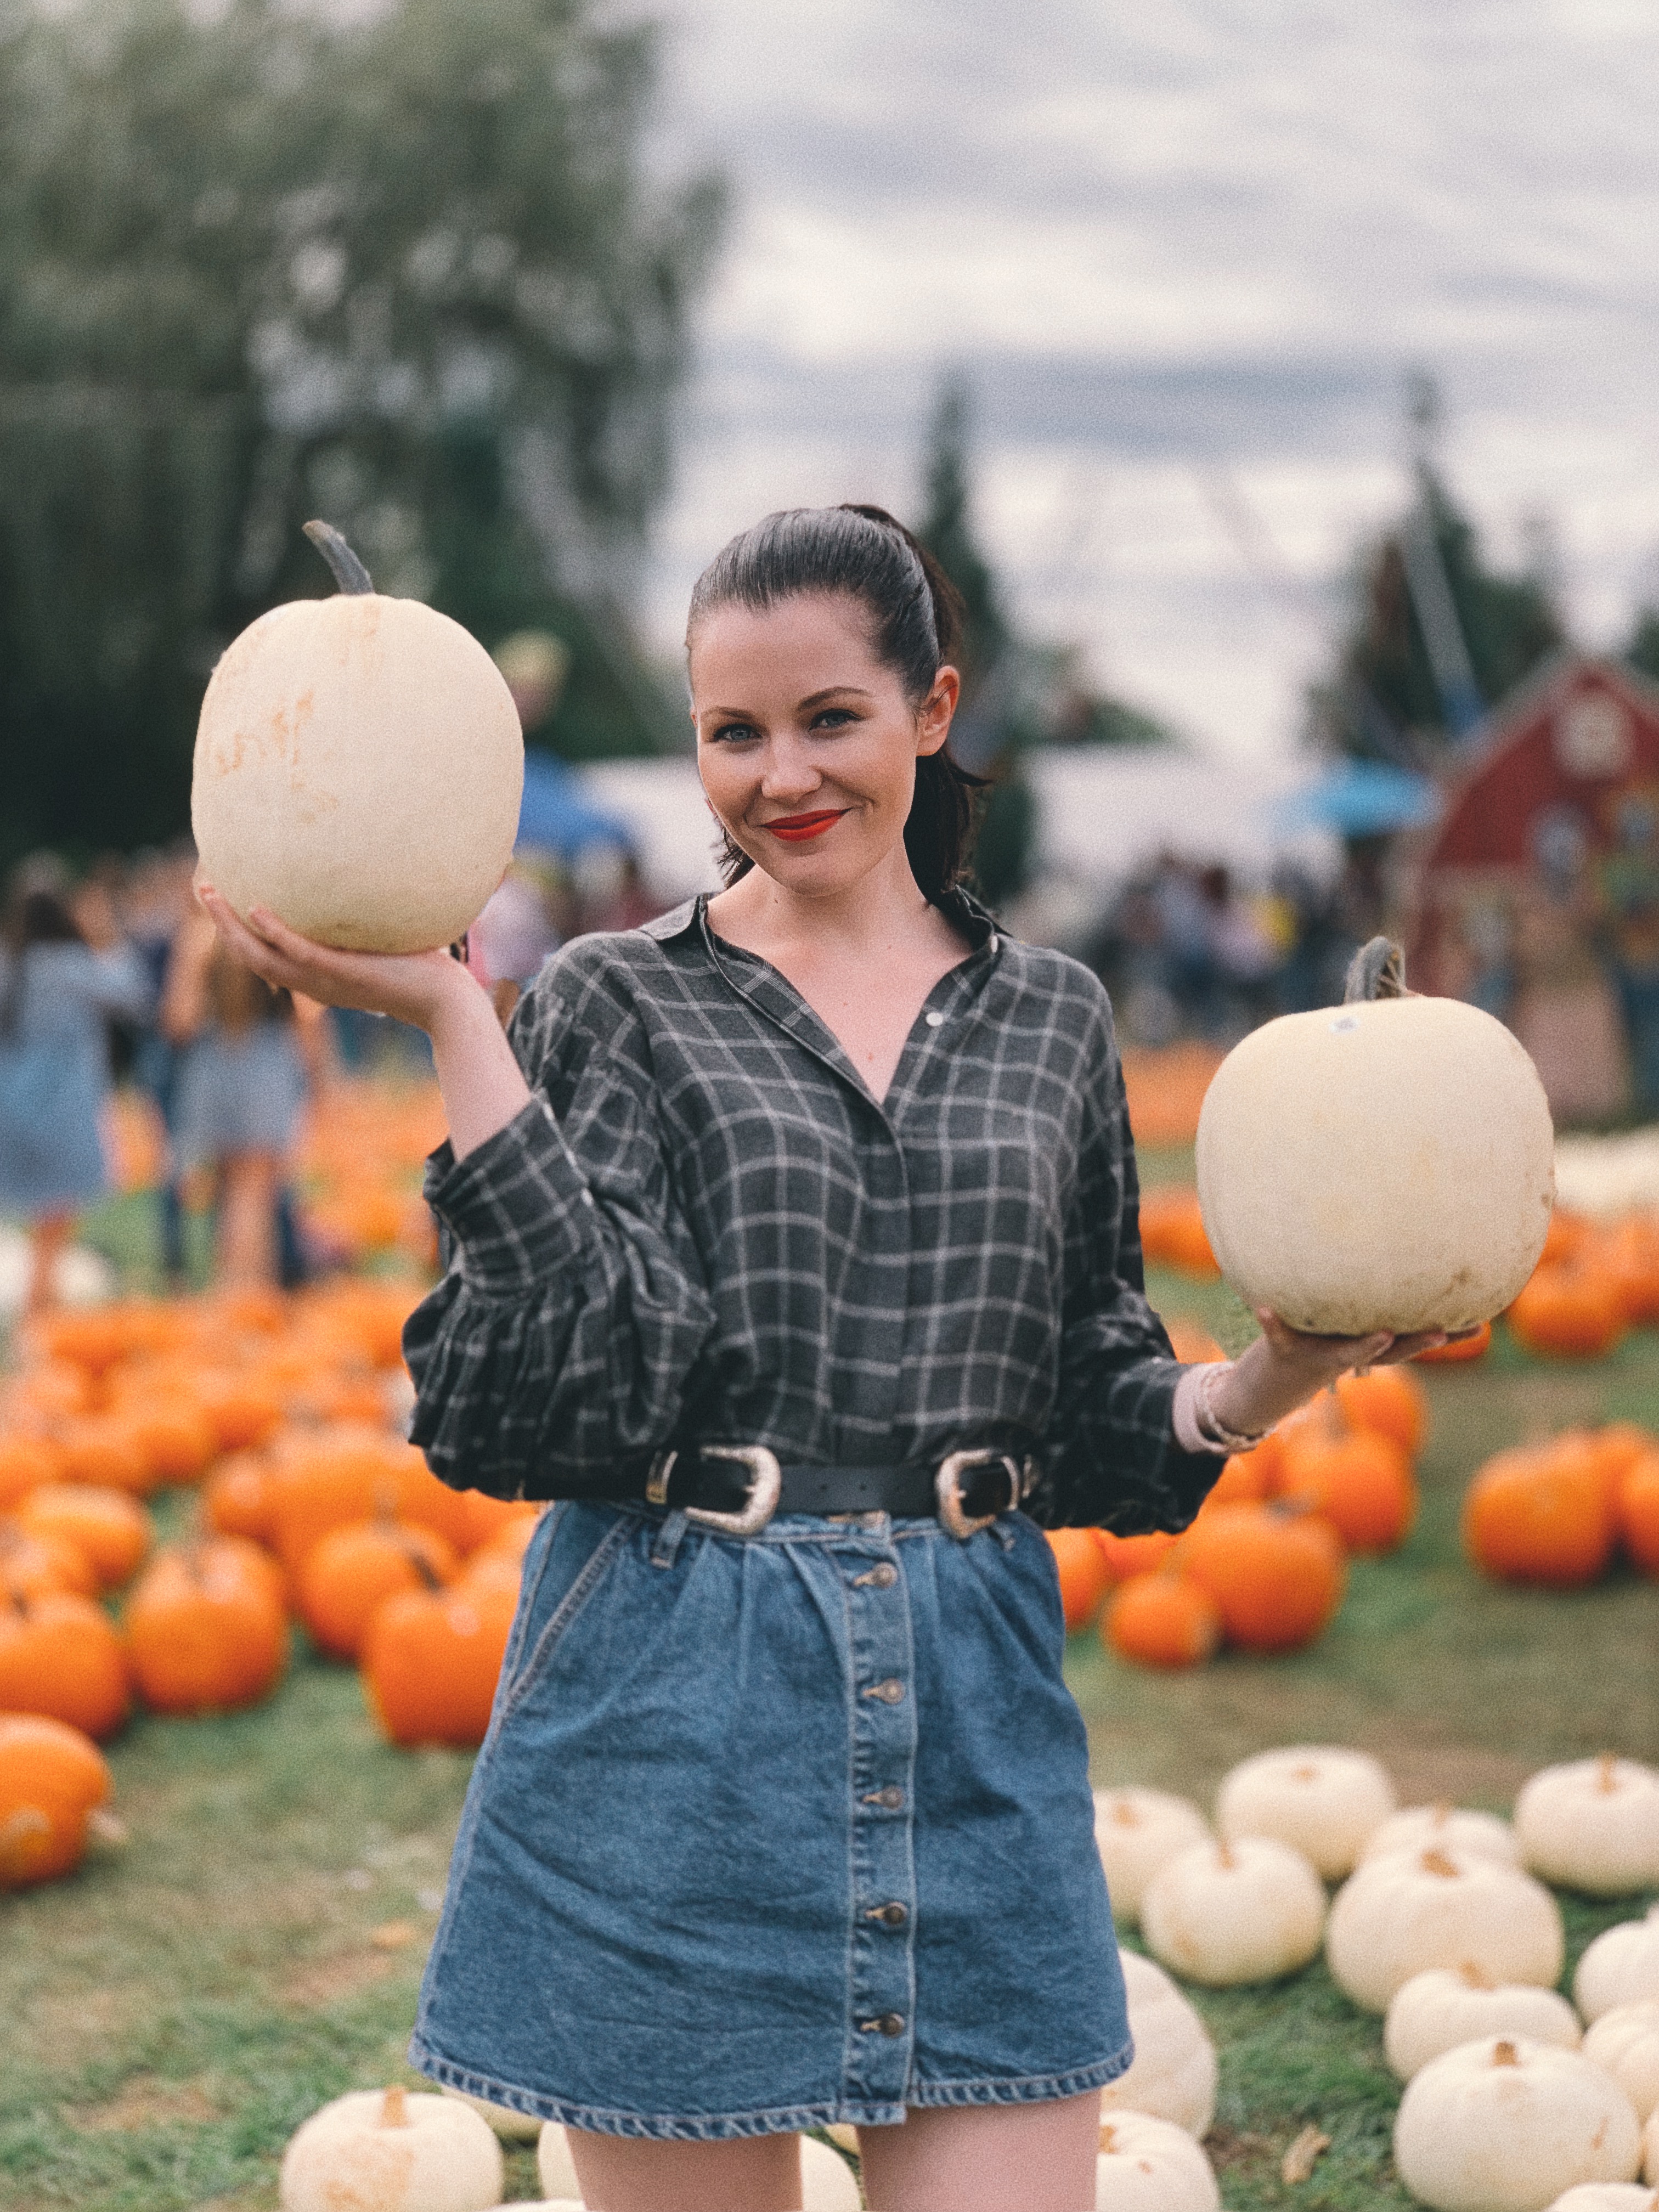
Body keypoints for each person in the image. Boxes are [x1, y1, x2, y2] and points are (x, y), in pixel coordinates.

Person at [198, 503, 1454, 2212]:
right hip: (670, 1702)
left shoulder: (1056, 1021)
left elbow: (1088, 1400)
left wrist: (1273, 1375)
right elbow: (572, 1393)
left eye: (828, 720)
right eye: (732, 733)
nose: (778, 774)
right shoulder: (611, 1002)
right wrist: (455, 1023)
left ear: (932, 710)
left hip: (975, 1713)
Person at [0, 866, 151, 1316]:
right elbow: (135, 993)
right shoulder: (71, 965)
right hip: (65, 1109)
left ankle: (39, 1309)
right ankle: (40, 1315)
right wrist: (107, 936)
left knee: (38, 1216)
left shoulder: (9, 966)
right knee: (56, 1219)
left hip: (12, 1106)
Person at [160, 907, 313, 1287]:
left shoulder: (200, 938)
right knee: (256, 1194)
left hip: (215, 1065)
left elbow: (179, 1020)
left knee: (231, 1193)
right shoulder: (275, 930)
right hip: (268, 1065)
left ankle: (235, 1288)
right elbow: (308, 1017)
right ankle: (250, 1294)